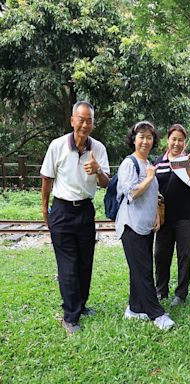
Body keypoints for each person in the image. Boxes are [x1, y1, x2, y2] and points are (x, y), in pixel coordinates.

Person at [41, 101, 110, 335]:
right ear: (72, 121)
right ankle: (70, 317)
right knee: (68, 266)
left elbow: (107, 183)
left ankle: (80, 306)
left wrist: (98, 169)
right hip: (61, 210)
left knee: (85, 262)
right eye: (81, 119)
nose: (85, 124)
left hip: (86, 211)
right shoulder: (57, 145)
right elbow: (46, 179)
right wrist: (44, 211)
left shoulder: (98, 149)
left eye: (89, 120)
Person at [116, 121, 174, 330]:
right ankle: (156, 313)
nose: (145, 141)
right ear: (133, 139)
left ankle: (134, 309)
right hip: (130, 225)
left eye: (149, 137)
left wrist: (157, 215)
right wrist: (149, 178)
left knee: (138, 269)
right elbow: (131, 192)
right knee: (144, 270)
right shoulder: (129, 164)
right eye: (141, 136)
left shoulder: (148, 163)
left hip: (146, 225)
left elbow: (152, 195)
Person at [154, 124, 190, 307]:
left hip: (185, 218)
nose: (177, 143)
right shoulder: (158, 162)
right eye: (174, 139)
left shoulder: (189, 162)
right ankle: (160, 291)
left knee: (184, 256)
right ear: (167, 140)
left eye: (180, 140)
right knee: (161, 255)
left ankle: (181, 294)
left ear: (184, 142)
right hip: (163, 219)